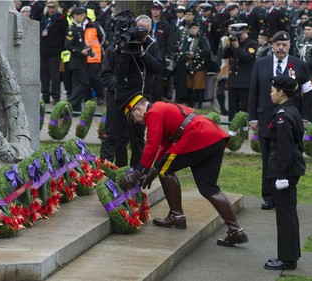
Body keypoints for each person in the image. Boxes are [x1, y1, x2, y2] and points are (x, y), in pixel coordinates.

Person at [118, 94, 249, 247]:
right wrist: (152, 170)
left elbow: (152, 145)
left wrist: (138, 173)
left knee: (164, 171)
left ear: (139, 109)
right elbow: (165, 145)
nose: (135, 121)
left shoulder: (152, 113)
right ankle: (236, 231)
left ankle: (176, 215)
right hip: (213, 137)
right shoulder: (161, 108)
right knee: (209, 188)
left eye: (132, 116)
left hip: (198, 137)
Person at [248, 31, 312, 210]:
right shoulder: (261, 63)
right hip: (266, 119)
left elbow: (308, 93)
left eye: (284, 44)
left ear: (289, 46)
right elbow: (253, 91)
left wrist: (305, 118)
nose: (281, 48)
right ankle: (269, 196)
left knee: (289, 157)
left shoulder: (299, 65)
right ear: (272, 46)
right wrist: (252, 117)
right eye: (278, 44)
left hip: (291, 121)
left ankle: (287, 195)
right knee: (269, 158)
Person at [99, 11, 163, 167]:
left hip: (142, 97)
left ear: (150, 31)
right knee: (118, 136)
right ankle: (120, 169)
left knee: (138, 138)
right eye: (139, 29)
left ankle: (137, 171)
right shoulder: (118, 45)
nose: (142, 33)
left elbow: (158, 67)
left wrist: (142, 53)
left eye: (146, 31)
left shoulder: (151, 46)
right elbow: (116, 73)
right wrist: (125, 51)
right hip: (120, 96)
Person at [264, 75, 306, 270]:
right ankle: (290, 256)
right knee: (288, 214)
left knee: (286, 216)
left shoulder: (283, 115)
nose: (271, 93)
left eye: (273, 90)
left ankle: (287, 259)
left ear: (281, 93)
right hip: (289, 170)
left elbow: (284, 149)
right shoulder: (289, 110)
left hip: (285, 172)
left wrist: (281, 176)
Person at [222, 22, 258, 121]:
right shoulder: (233, 42)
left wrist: (237, 47)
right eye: (236, 34)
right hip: (233, 80)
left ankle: (244, 131)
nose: (238, 36)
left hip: (244, 81)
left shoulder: (252, 43)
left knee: (244, 108)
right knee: (232, 108)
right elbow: (224, 55)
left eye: (240, 34)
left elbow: (247, 58)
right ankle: (232, 131)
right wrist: (230, 44)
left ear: (245, 31)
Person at [40, 0, 68, 105]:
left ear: (57, 7)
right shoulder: (44, 17)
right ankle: (45, 96)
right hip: (44, 51)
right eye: (49, 7)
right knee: (44, 75)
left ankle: (56, 97)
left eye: (53, 7)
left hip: (55, 52)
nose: (51, 9)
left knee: (55, 76)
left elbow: (65, 35)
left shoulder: (61, 19)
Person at [65, 6, 91, 112]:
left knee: (77, 84)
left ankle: (75, 108)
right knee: (85, 83)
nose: (83, 18)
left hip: (81, 60)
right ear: (74, 16)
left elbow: (81, 44)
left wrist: (88, 49)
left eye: (84, 16)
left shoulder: (79, 28)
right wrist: (81, 52)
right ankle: (69, 103)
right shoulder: (71, 29)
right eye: (81, 16)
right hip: (76, 61)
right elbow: (68, 45)